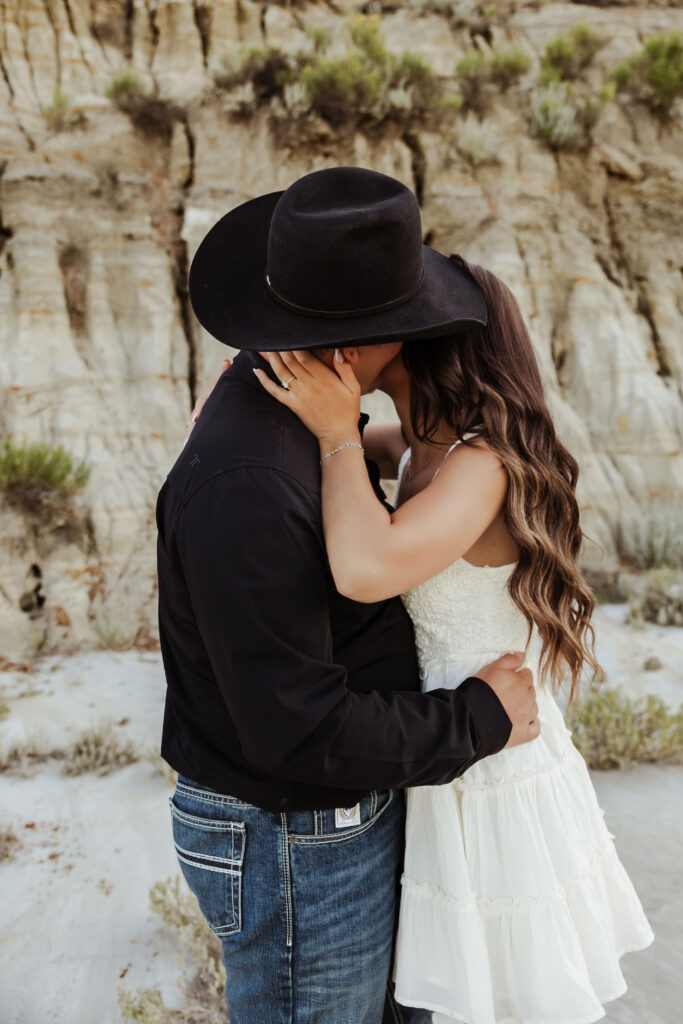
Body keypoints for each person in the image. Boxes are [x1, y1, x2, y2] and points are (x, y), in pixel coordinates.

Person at [156, 166, 540, 1024]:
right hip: (298, 838)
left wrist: (341, 435)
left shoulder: (298, 430)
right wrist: (476, 719)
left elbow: (374, 482)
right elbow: (296, 727)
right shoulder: (254, 476)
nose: (411, 345)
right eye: (404, 328)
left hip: (341, 812)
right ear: (350, 346)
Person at [253, 251, 655, 1023]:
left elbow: (365, 568)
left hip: (491, 771)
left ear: (430, 341)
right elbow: (366, 464)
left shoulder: (480, 465)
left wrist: (338, 432)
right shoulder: (420, 447)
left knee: (496, 995)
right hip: (444, 743)